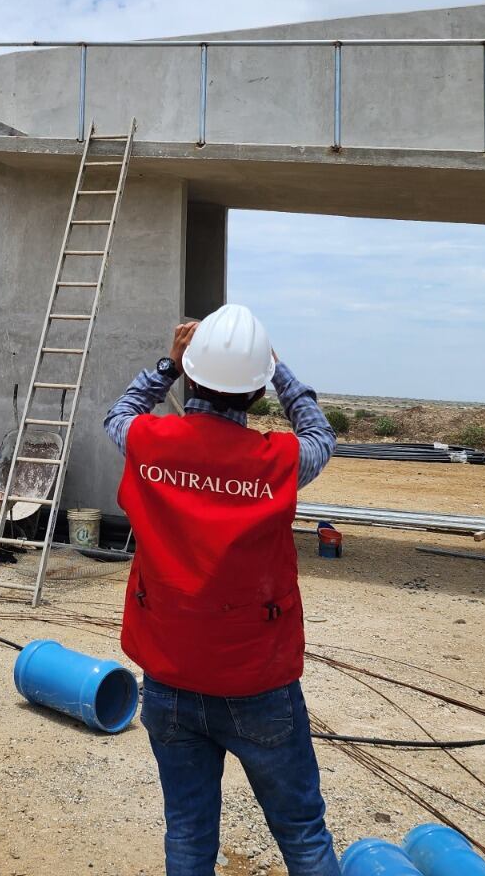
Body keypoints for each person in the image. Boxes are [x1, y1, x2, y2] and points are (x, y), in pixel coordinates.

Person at [103, 304, 339, 876]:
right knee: (303, 834)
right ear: (257, 394)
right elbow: (320, 435)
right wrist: (280, 372)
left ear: (190, 377)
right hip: (258, 682)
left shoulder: (149, 442)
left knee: (188, 831)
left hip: (170, 679)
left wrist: (167, 363)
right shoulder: (279, 462)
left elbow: (120, 413)